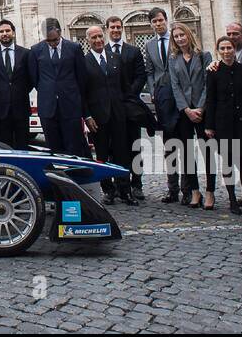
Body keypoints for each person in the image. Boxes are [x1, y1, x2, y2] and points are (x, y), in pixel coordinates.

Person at [204, 37, 242, 214]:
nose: (226, 51)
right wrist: (209, 125)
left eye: (229, 48)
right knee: (228, 163)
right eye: (223, 48)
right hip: (224, 122)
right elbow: (210, 99)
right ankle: (232, 199)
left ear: (235, 49)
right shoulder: (213, 72)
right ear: (218, 51)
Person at [26, 18, 89, 157]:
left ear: (60, 32)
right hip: (48, 108)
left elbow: (81, 78)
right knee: (54, 148)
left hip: (71, 106)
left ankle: (76, 175)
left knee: (74, 146)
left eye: (55, 40)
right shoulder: (35, 51)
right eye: (49, 41)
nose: (53, 44)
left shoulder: (74, 48)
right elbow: (35, 79)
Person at [82, 26, 130, 204]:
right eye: (93, 37)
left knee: (121, 153)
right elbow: (82, 93)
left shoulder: (115, 57)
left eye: (100, 36)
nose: (98, 40)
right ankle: (108, 190)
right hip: (97, 117)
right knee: (101, 155)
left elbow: (124, 86)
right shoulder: (84, 61)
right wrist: (87, 116)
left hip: (118, 114)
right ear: (88, 40)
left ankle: (125, 190)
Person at [169, 23, 214, 210]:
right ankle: (195, 191)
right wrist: (186, 109)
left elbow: (207, 83)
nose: (180, 38)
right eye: (176, 36)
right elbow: (175, 86)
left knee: (207, 152)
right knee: (187, 153)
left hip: (202, 111)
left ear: (189, 34)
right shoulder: (173, 59)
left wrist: (201, 108)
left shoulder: (204, 55)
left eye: (182, 35)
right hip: (185, 112)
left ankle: (210, 191)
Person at [106, 17, 150, 200]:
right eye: (112, 27)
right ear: (106, 29)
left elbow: (141, 76)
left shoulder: (133, 50)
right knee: (115, 149)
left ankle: (136, 183)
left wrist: (128, 95)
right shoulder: (103, 51)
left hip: (130, 106)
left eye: (118, 27)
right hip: (112, 108)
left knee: (135, 147)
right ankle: (118, 184)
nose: (116, 30)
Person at [143, 8, 181, 201]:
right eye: (154, 22)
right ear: (151, 24)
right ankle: (173, 188)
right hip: (162, 97)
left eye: (160, 20)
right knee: (170, 145)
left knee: (186, 144)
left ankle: (190, 189)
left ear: (166, 20)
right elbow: (149, 71)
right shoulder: (149, 45)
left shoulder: (177, 39)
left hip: (181, 96)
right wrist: (152, 91)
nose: (158, 24)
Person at [0, 19, 32, 150]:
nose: (4, 33)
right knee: (4, 147)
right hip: (1, 110)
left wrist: (19, 92)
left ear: (13, 33)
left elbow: (31, 79)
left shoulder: (25, 53)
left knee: (23, 146)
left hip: (21, 108)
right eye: (1, 31)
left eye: (7, 31)